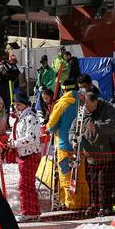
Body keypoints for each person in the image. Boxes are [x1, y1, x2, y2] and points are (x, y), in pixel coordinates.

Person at [69, 88, 115, 216]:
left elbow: (112, 125)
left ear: (96, 102)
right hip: (89, 154)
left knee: (103, 182)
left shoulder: (108, 109)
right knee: (91, 182)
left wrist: (97, 126)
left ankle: (104, 206)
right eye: (86, 107)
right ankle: (94, 205)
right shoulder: (82, 112)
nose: (88, 109)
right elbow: (73, 130)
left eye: (90, 107)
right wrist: (73, 141)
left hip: (105, 153)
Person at [46, 78, 84, 209]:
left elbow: (51, 125)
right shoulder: (83, 101)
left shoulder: (62, 104)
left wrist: (48, 127)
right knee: (80, 175)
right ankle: (83, 201)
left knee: (66, 175)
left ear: (63, 89)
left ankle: (71, 204)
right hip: (80, 146)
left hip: (64, 145)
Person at [9, 92, 43, 218]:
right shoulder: (20, 118)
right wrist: (9, 141)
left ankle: (28, 212)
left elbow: (31, 138)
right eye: (15, 104)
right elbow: (16, 133)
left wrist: (15, 144)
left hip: (30, 155)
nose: (16, 107)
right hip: (23, 155)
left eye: (19, 104)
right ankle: (33, 211)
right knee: (28, 184)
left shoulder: (31, 118)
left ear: (25, 104)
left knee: (24, 185)